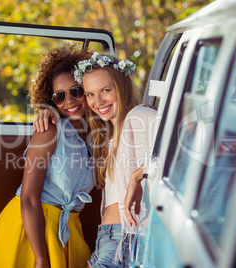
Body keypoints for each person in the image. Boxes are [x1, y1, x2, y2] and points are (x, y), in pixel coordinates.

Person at [35, 51, 157, 267]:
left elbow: (186, 145)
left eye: (106, 91)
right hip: (109, 237)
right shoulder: (107, 133)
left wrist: (138, 176)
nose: (97, 101)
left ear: (123, 86)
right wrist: (50, 111)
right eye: (90, 94)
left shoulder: (139, 116)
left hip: (124, 237)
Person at [0, 45, 95, 268]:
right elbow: (28, 199)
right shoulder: (50, 130)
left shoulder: (97, 136)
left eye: (76, 91)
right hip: (30, 231)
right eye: (59, 96)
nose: (69, 101)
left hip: (68, 229)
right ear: (51, 99)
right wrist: (41, 258)